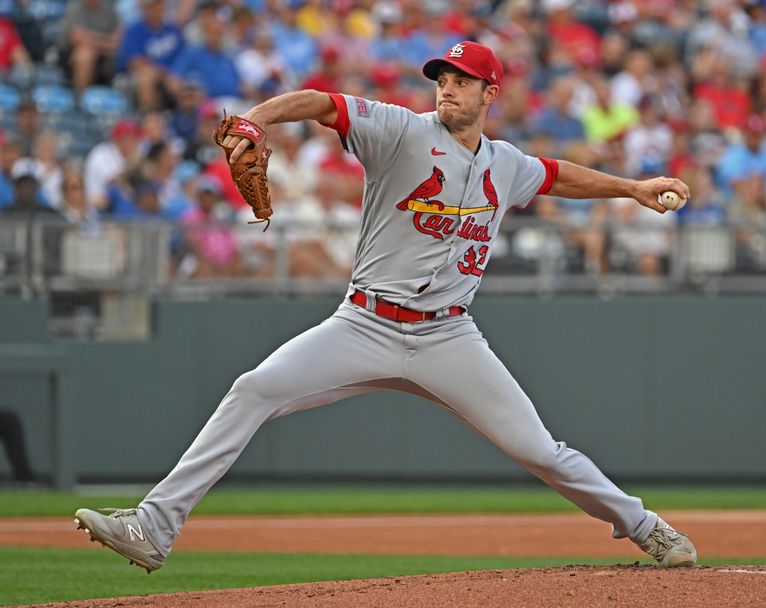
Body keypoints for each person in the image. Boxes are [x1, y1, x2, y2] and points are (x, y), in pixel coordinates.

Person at [74, 41, 697, 573]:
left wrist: (633, 188)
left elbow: (557, 174)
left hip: (449, 338)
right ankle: (155, 527)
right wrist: (257, 121)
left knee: (539, 450)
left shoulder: (504, 165)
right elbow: (323, 103)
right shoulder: (399, 131)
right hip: (364, 323)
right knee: (253, 388)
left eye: (463, 82)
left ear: (490, 94)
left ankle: (645, 528)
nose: (448, 90)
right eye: (443, 80)